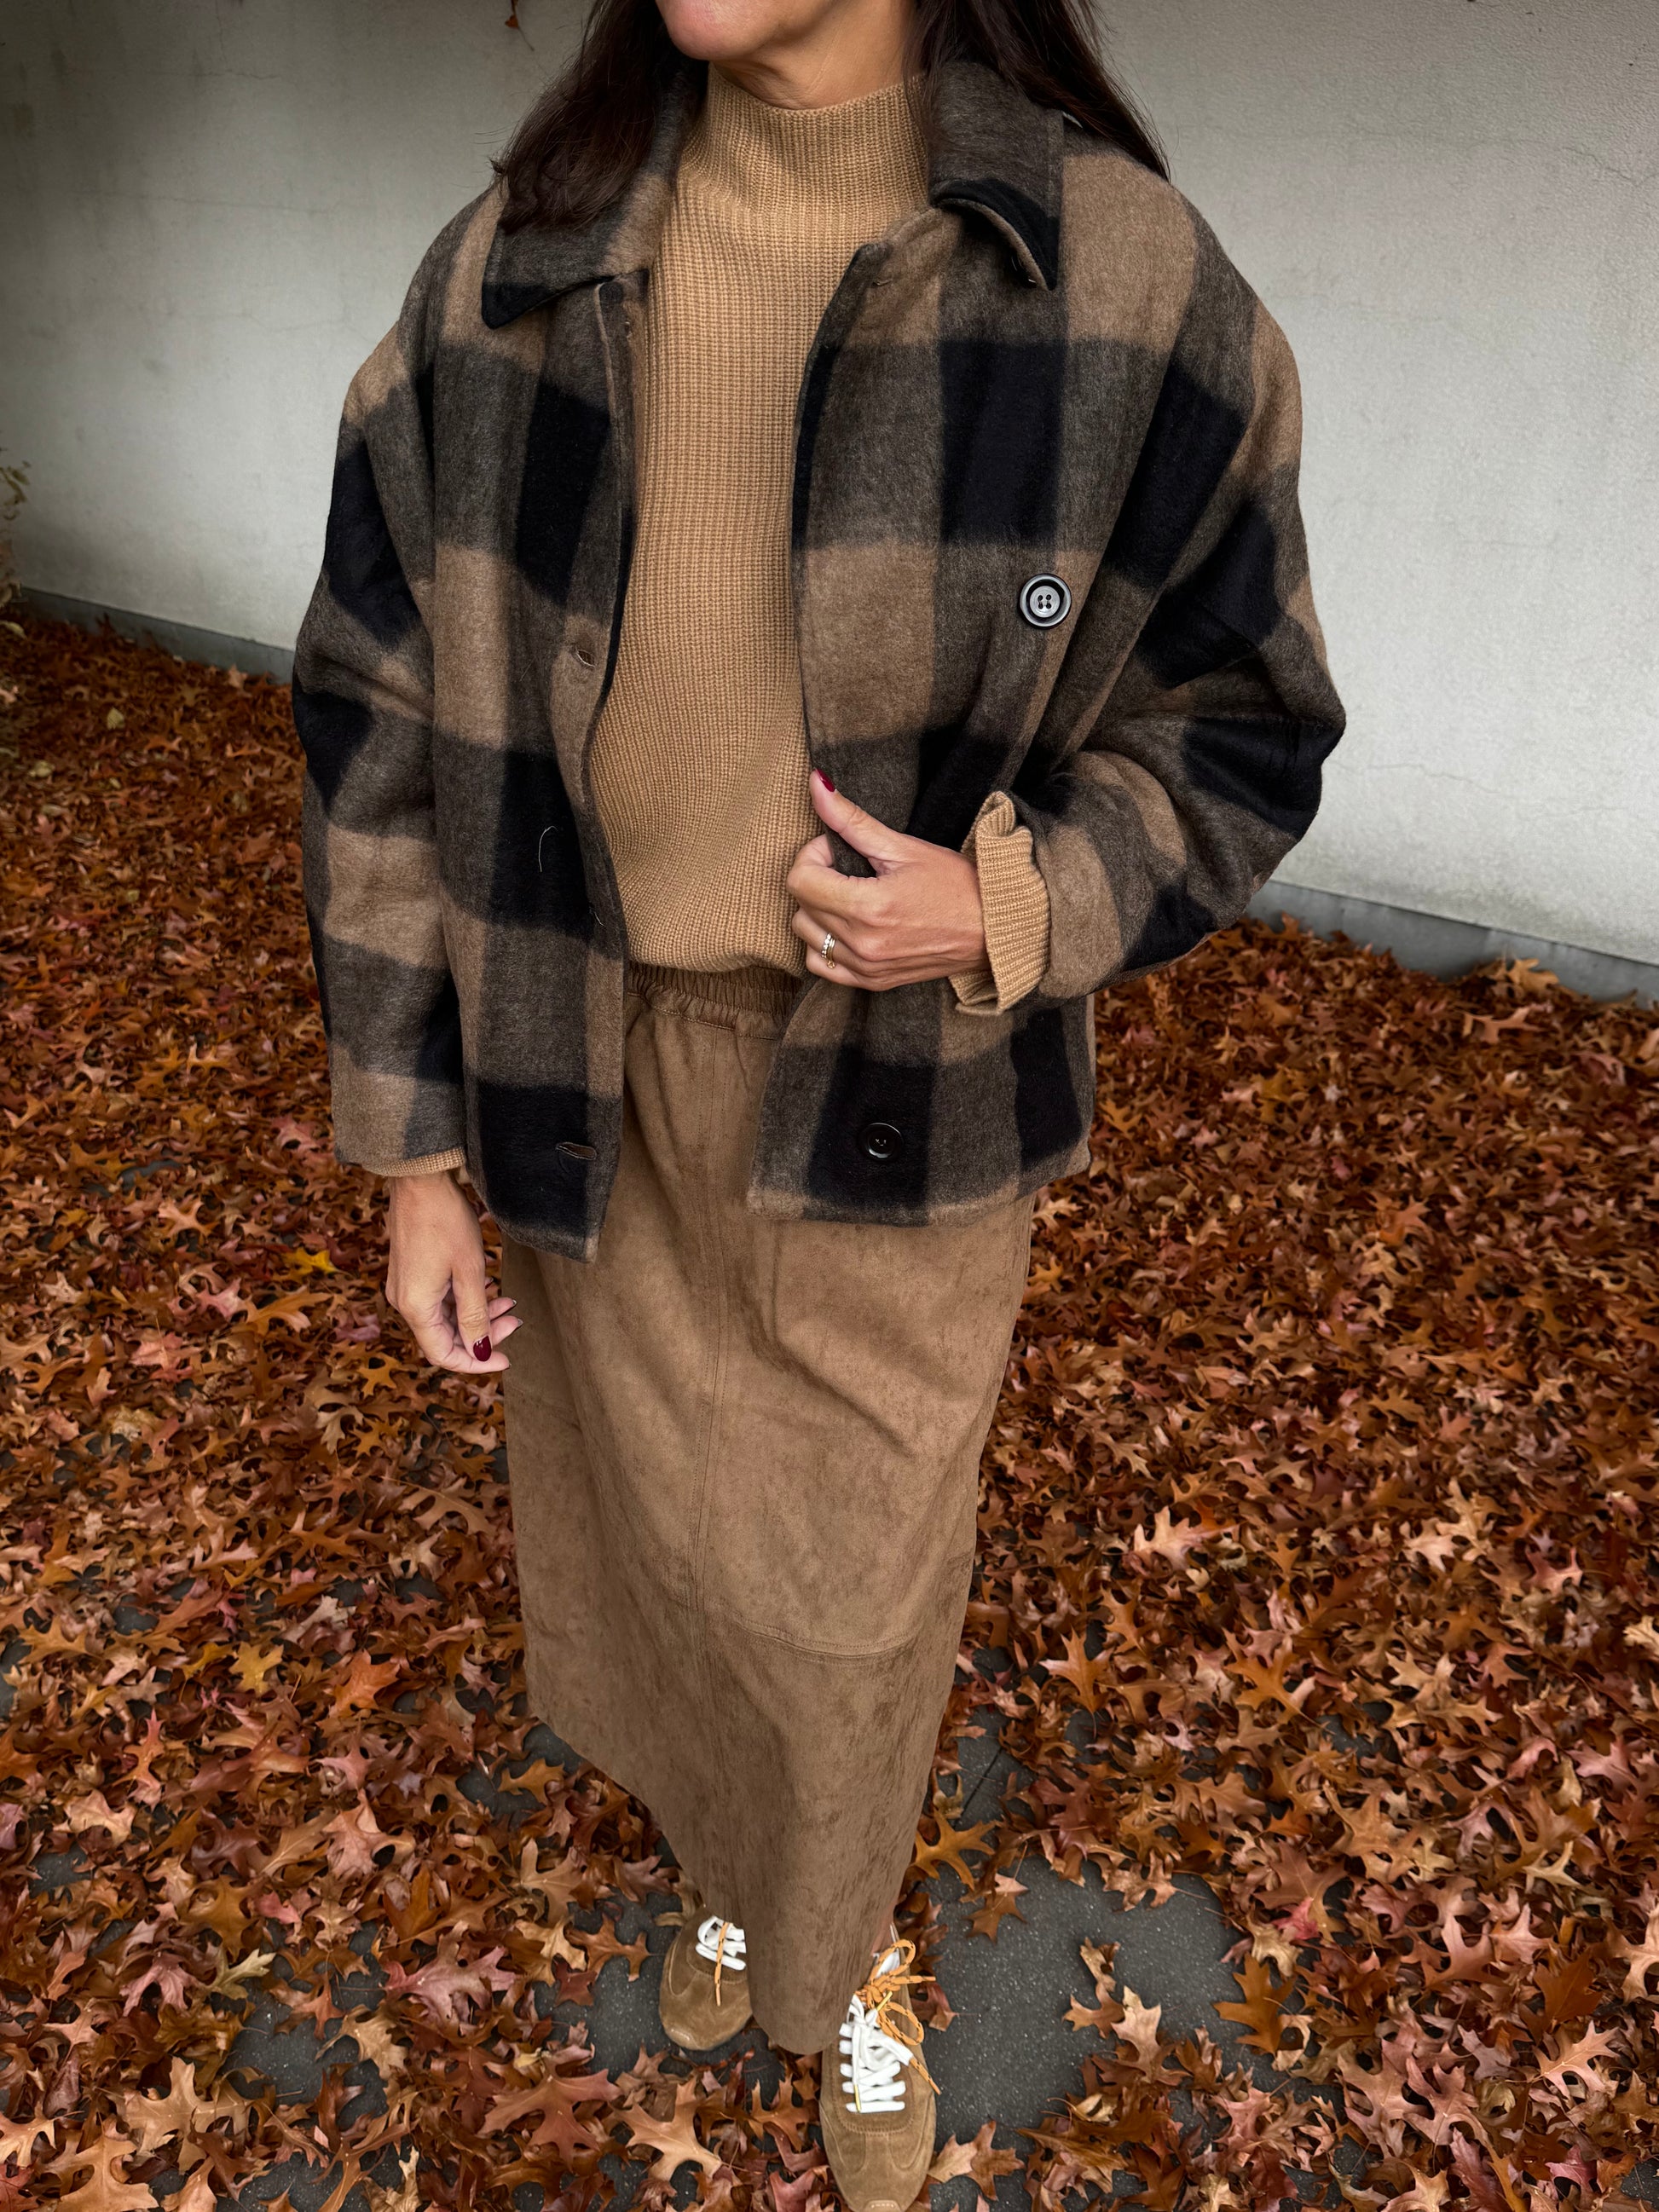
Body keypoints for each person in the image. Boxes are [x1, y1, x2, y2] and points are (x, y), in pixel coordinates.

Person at [293, 0, 1344, 2195]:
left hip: (908, 1094)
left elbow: (1244, 723)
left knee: (846, 1598)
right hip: (573, 1059)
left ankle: (837, 1935)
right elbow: (374, 718)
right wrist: (412, 1152)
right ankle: (736, 1874)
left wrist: (1012, 899)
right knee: (654, 1553)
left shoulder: (1115, 283)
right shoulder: (513, 265)